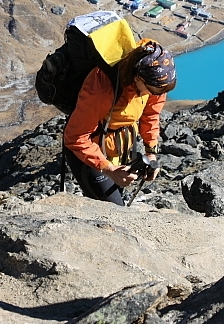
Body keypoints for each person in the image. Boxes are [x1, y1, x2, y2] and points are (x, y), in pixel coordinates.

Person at [63, 39, 177, 205]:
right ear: (138, 78)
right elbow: (75, 137)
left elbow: (151, 116)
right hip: (91, 149)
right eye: (154, 91)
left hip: (123, 143)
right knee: (112, 208)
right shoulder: (102, 89)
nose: (157, 95)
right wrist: (108, 168)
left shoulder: (157, 79)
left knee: (118, 193)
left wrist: (151, 151)